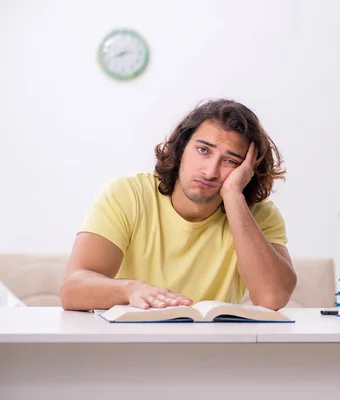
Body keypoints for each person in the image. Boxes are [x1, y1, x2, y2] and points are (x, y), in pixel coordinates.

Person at [59, 99, 297, 311]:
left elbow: (272, 298)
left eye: (229, 161)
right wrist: (129, 290)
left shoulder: (257, 215)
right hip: (130, 345)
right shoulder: (128, 195)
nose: (210, 171)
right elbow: (72, 290)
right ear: (182, 147)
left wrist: (234, 197)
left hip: (212, 351)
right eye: (203, 150)